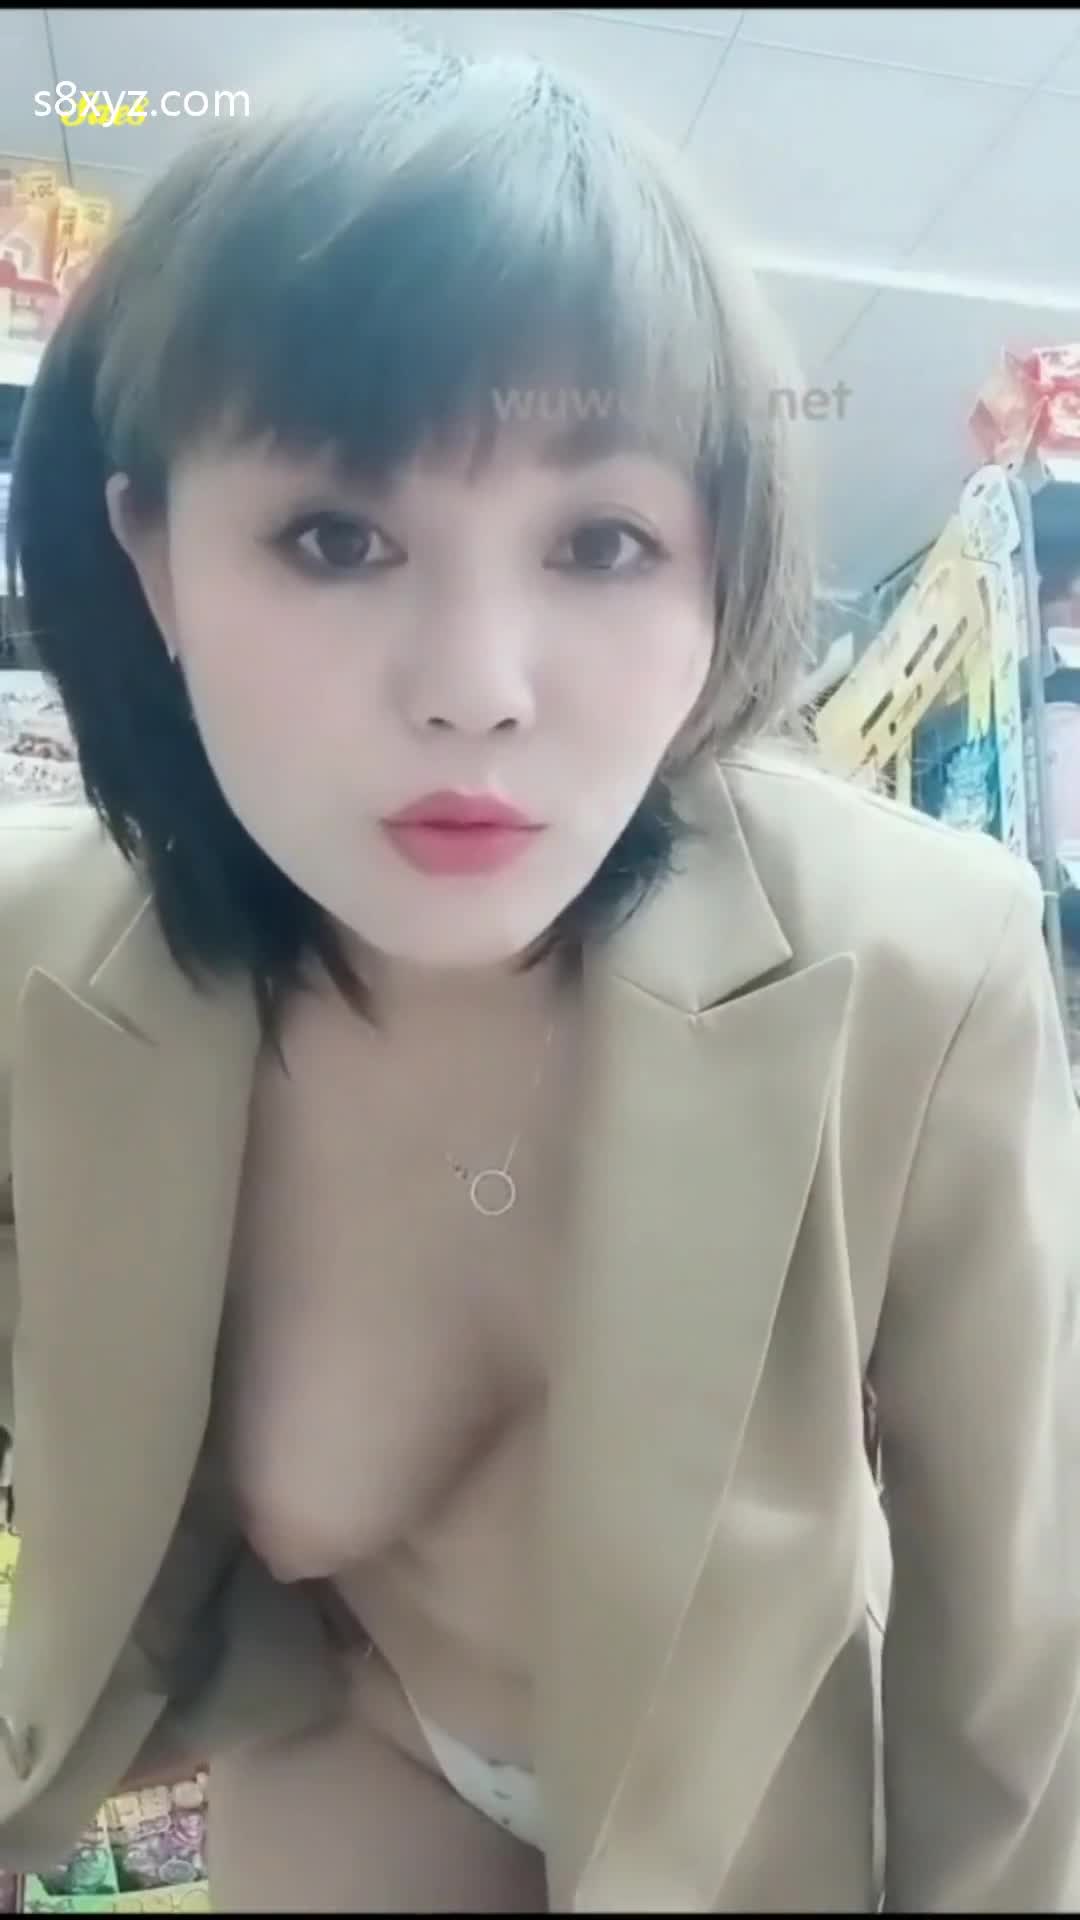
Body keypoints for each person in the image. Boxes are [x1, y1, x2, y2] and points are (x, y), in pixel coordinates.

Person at [1, 34, 1079, 1916]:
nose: (477, 685)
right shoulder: (45, 963)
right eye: (337, 536)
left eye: (601, 540)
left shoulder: (923, 962)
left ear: (719, 572)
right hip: (354, 1731)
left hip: (757, 1806)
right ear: (153, 558)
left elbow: (1016, 1664)